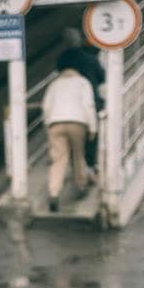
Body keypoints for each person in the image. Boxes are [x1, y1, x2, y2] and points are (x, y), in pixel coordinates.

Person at [41, 61, 98, 212]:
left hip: (56, 122)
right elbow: (88, 104)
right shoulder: (83, 82)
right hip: (77, 122)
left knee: (58, 159)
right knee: (78, 155)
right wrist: (93, 127)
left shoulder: (55, 84)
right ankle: (80, 185)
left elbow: (46, 106)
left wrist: (48, 124)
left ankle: (54, 193)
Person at [54, 26, 105, 182]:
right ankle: (91, 166)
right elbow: (102, 77)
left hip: (68, 105)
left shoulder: (62, 59)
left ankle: (77, 169)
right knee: (91, 134)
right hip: (90, 102)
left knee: (73, 141)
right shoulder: (90, 58)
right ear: (80, 40)